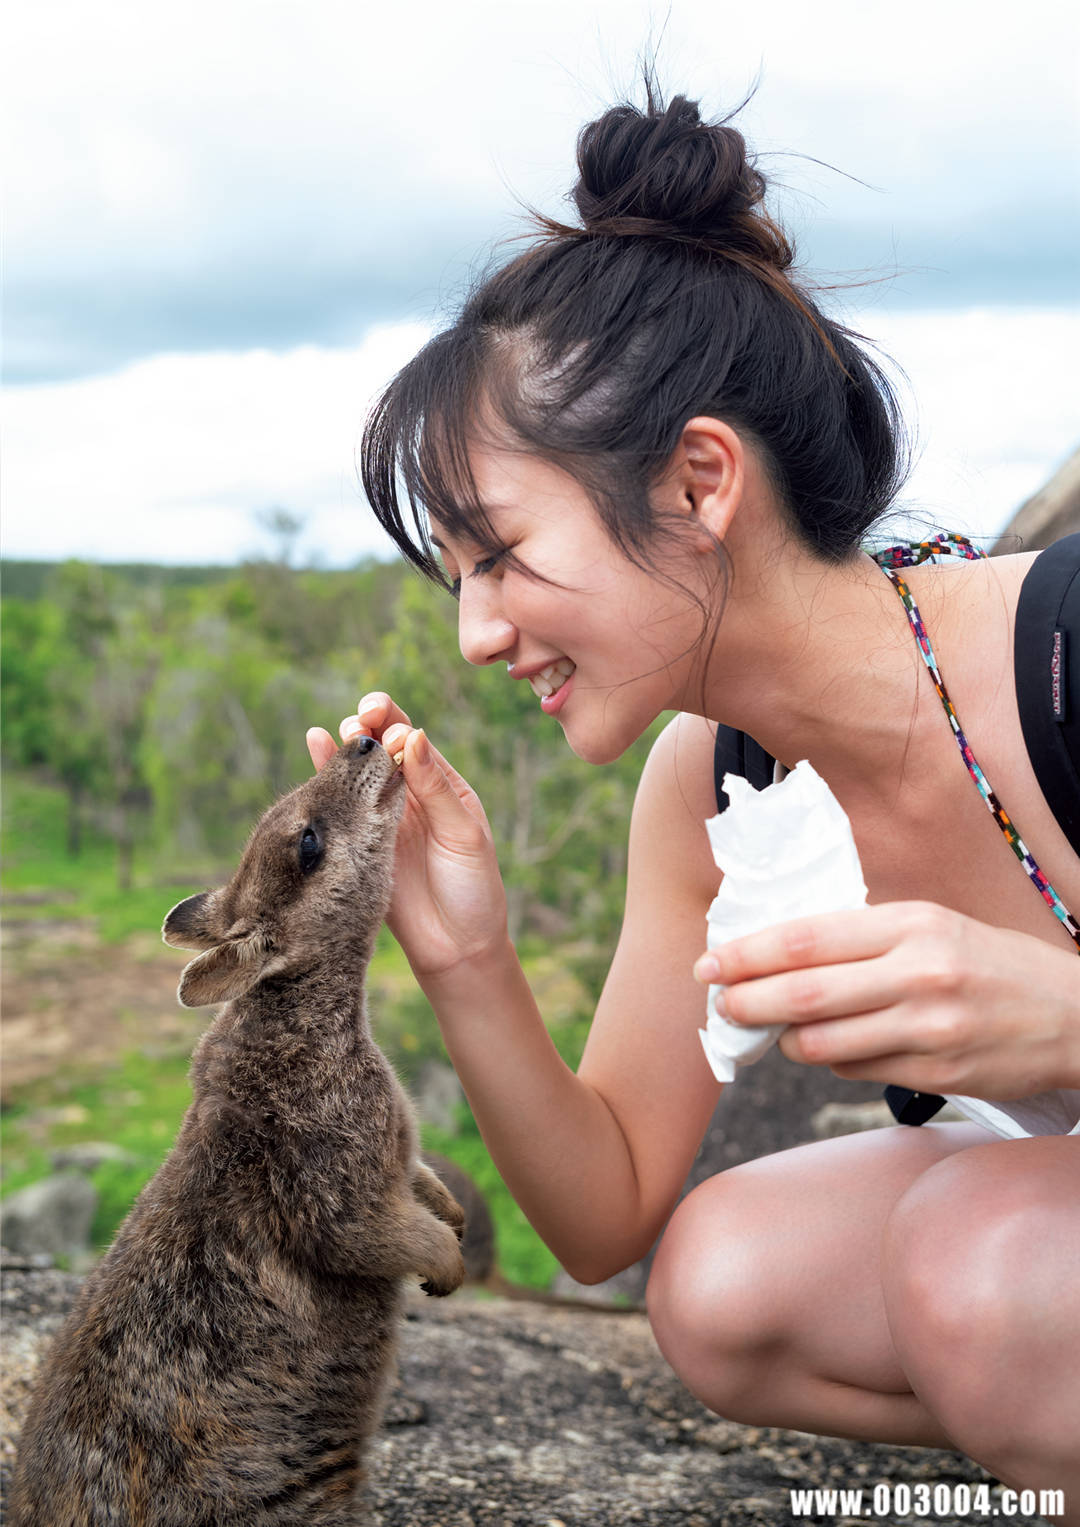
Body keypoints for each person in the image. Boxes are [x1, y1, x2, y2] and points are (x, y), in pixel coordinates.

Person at [306, 86, 1080, 1511]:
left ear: (701, 480)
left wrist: (1064, 1022)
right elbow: (606, 1219)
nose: (478, 632)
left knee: (987, 1261)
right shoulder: (715, 781)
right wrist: (464, 954)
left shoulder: (1063, 649)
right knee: (725, 1285)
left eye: (502, 554)